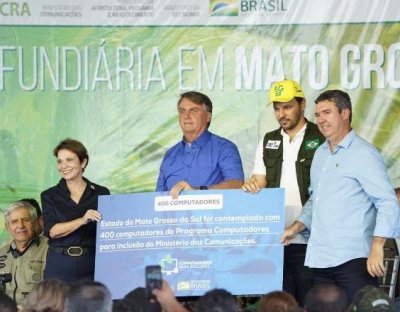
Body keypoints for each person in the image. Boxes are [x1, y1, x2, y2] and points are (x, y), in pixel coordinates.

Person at [281, 90, 400, 302]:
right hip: (319, 260)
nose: (320, 120)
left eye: (327, 112)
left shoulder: (364, 154)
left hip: (354, 261)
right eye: (317, 114)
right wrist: (295, 227)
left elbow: (387, 201)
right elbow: (315, 200)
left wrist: (377, 246)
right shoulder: (320, 153)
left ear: (345, 113)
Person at [242, 79, 324, 305]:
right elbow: (259, 180)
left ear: (302, 104)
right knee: (279, 304)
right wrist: (250, 186)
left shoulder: (320, 137)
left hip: (311, 239)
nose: (281, 114)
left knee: (308, 301)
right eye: (277, 108)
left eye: (287, 107)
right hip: (275, 239)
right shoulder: (269, 139)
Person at [41, 138, 110, 282]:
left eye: (69, 160)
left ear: (83, 162)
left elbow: (109, 231)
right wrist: (82, 220)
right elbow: (52, 231)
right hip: (60, 264)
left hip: (92, 264)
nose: (63, 166)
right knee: (56, 305)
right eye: (59, 161)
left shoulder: (101, 193)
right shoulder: (49, 195)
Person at [156, 91, 244, 198]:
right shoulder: (170, 154)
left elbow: (236, 184)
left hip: (210, 214)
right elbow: (157, 197)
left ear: (208, 116)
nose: (186, 116)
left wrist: (199, 191)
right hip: (172, 214)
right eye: (182, 111)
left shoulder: (224, 148)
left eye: (194, 110)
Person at [0, 201, 48, 306]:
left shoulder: (50, 248)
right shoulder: (1, 253)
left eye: (25, 220)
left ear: (35, 223)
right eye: (14, 222)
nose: (20, 226)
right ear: (7, 227)